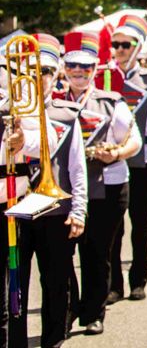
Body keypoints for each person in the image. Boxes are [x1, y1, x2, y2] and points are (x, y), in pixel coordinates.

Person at [7, 33, 86, 348]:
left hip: (57, 210)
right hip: (16, 210)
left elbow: (77, 167)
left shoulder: (67, 113)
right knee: (15, 285)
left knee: (55, 284)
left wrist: (79, 210)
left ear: (56, 76)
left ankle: (53, 340)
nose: (39, 77)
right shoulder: (9, 110)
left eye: (47, 71)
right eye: (34, 69)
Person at [60, 29, 141, 335]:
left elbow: (134, 141)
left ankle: (95, 312)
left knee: (97, 253)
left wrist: (116, 153)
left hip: (108, 185)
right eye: (72, 67)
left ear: (96, 69)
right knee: (62, 255)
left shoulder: (111, 102)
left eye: (86, 67)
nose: (79, 73)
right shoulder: (53, 102)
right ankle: (67, 310)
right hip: (66, 188)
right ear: (63, 69)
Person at [0, 35, 62, 347]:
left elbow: (50, 141)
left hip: (10, 204)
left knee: (11, 295)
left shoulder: (20, 86)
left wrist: (25, 142)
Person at [102, 14, 147, 303]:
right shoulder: (103, 77)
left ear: (138, 47)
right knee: (112, 226)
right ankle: (114, 284)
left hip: (142, 160)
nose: (121, 49)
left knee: (141, 222)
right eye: (116, 44)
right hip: (110, 161)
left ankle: (138, 278)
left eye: (126, 44)